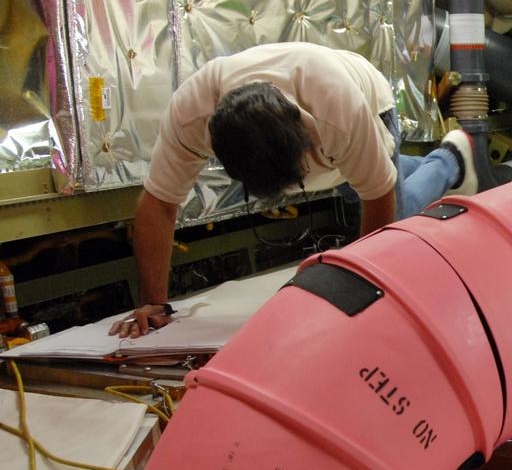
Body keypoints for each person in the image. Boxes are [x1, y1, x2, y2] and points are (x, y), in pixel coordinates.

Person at [109, 42, 478, 338]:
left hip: (370, 100)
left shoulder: (339, 109)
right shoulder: (190, 115)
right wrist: (153, 304)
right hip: (341, 149)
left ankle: (450, 159)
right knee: (364, 180)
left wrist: (361, 293)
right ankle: (397, 164)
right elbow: (158, 204)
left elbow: (379, 196)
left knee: (397, 220)